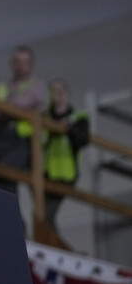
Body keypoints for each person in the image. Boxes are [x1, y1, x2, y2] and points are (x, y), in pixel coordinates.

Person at [0, 45, 48, 196]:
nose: (21, 66)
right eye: (17, 61)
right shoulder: (3, 87)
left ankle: (20, 219)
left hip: (22, 141)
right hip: (0, 142)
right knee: (1, 185)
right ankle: (14, 219)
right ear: (11, 64)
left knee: (5, 175)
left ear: (31, 65)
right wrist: (11, 111)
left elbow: (21, 105)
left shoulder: (37, 85)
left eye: (25, 62)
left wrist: (1, 110)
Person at [43, 79, 89, 227]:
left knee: (47, 216)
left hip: (67, 175)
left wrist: (68, 128)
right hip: (46, 173)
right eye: (54, 91)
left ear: (67, 94)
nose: (58, 95)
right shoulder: (43, 117)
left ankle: (54, 247)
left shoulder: (79, 118)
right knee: (43, 216)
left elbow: (83, 140)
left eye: (61, 91)